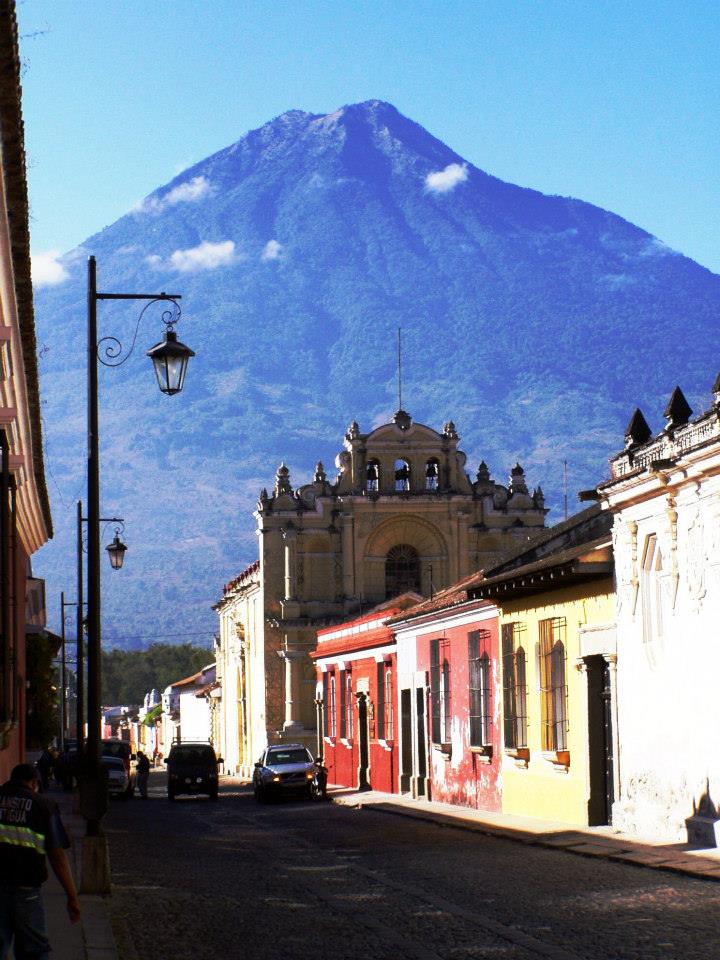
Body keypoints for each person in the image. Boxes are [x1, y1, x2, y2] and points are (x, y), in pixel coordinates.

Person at [0, 763, 81, 958]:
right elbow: (57, 856)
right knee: (34, 950)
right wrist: (72, 896)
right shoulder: (43, 805)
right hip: (27, 890)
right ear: (34, 782)